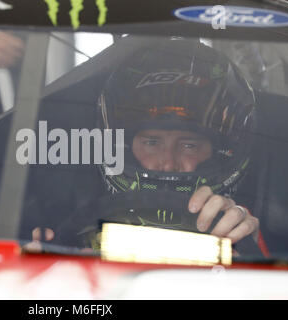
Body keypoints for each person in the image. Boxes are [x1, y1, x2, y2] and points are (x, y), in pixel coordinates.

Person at [27, 39, 263, 255]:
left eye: (189, 145)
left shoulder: (237, 231)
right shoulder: (70, 227)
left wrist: (246, 256)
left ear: (220, 153)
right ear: (124, 148)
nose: (168, 162)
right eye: (152, 143)